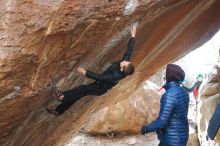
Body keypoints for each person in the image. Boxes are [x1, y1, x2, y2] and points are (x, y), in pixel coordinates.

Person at [46, 26, 137, 116]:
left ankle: (62, 96)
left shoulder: (115, 76)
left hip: (100, 88)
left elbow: (100, 77)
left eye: (125, 62)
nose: (125, 60)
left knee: (83, 89)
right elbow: (128, 52)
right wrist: (133, 36)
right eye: (127, 61)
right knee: (78, 95)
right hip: (99, 83)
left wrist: (85, 72)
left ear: (122, 69)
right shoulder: (125, 65)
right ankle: (59, 111)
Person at [141, 64, 189, 146]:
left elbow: (162, 121)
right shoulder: (183, 91)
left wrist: (146, 129)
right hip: (182, 135)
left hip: (171, 139)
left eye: (165, 73)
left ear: (169, 76)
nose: (164, 76)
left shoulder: (169, 94)